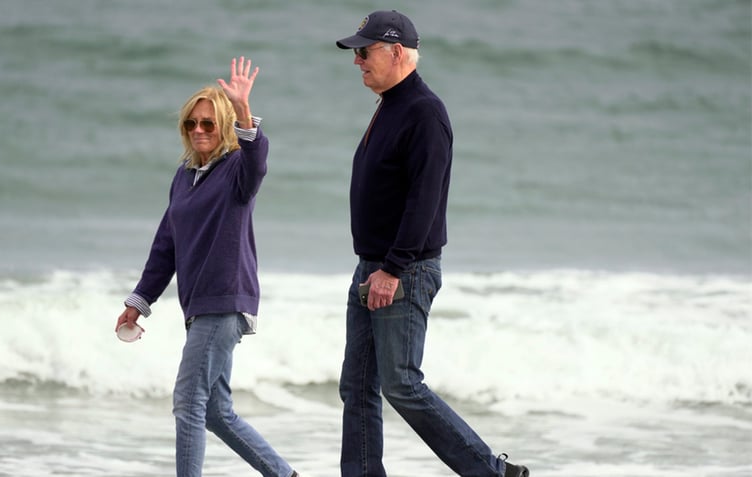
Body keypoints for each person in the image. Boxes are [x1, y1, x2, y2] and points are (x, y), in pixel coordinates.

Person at [335, 11, 530, 477]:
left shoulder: (423, 111)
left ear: (397, 52)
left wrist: (393, 268)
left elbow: (424, 200)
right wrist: (376, 268)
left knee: (401, 383)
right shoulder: (391, 103)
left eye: (365, 52)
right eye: (356, 53)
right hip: (373, 267)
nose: (357, 61)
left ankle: (493, 472)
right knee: (357, 385)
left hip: (401, 270)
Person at [114, 57, 302, 477]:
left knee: (187, 401)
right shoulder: (183, 177)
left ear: (223, 128)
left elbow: (258, 157)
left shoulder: (237, 170)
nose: (199, 131)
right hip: (199, 305)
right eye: (191, 125)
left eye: (208, 124)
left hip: (225, 300)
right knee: (215, 411)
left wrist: (242, 110)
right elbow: (166, 246)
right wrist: (139, 301)